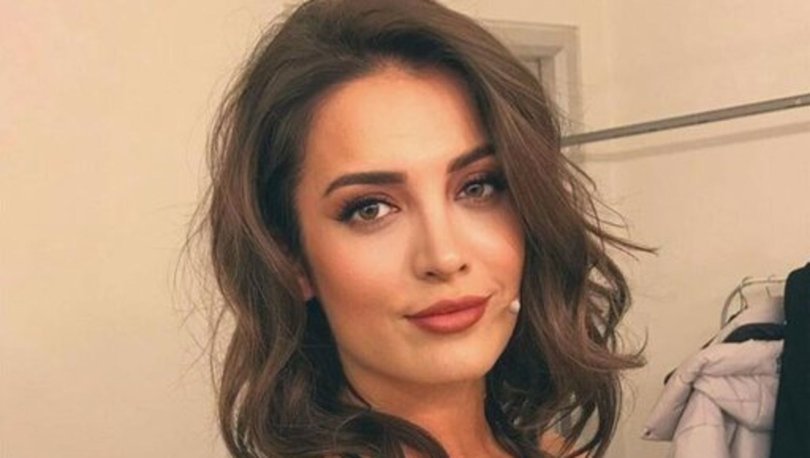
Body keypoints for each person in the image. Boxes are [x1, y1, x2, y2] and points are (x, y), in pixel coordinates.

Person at [194, 0, 648, 456]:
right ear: (288, 256)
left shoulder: (554, 450)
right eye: (370, 209)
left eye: (477, 187)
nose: (444, 257)